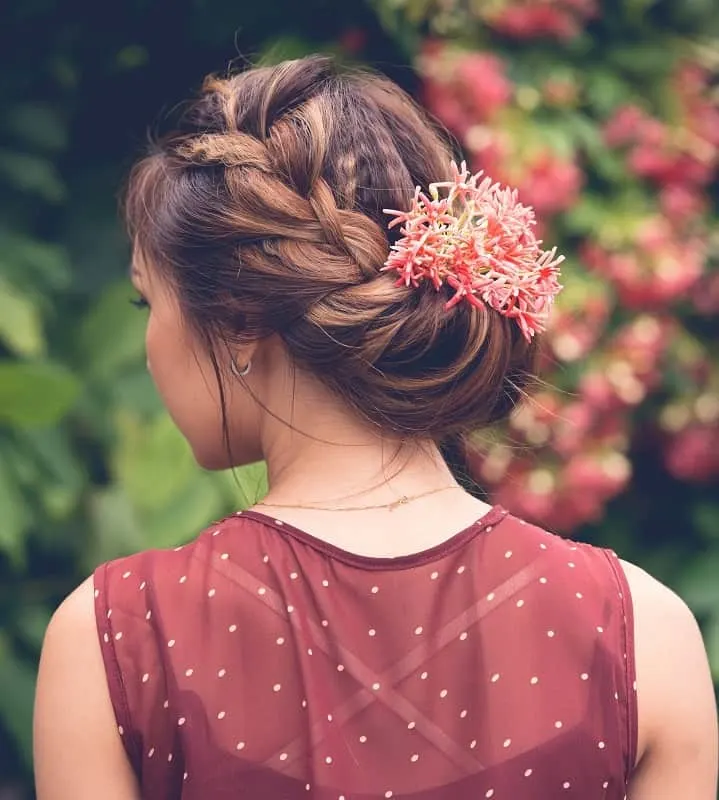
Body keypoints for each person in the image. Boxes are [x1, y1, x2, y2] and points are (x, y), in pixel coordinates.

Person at [33, 55, 717, 800]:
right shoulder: (641, 633)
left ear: (233, 322)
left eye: (147, 303)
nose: (149, 340)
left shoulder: (119, 637)